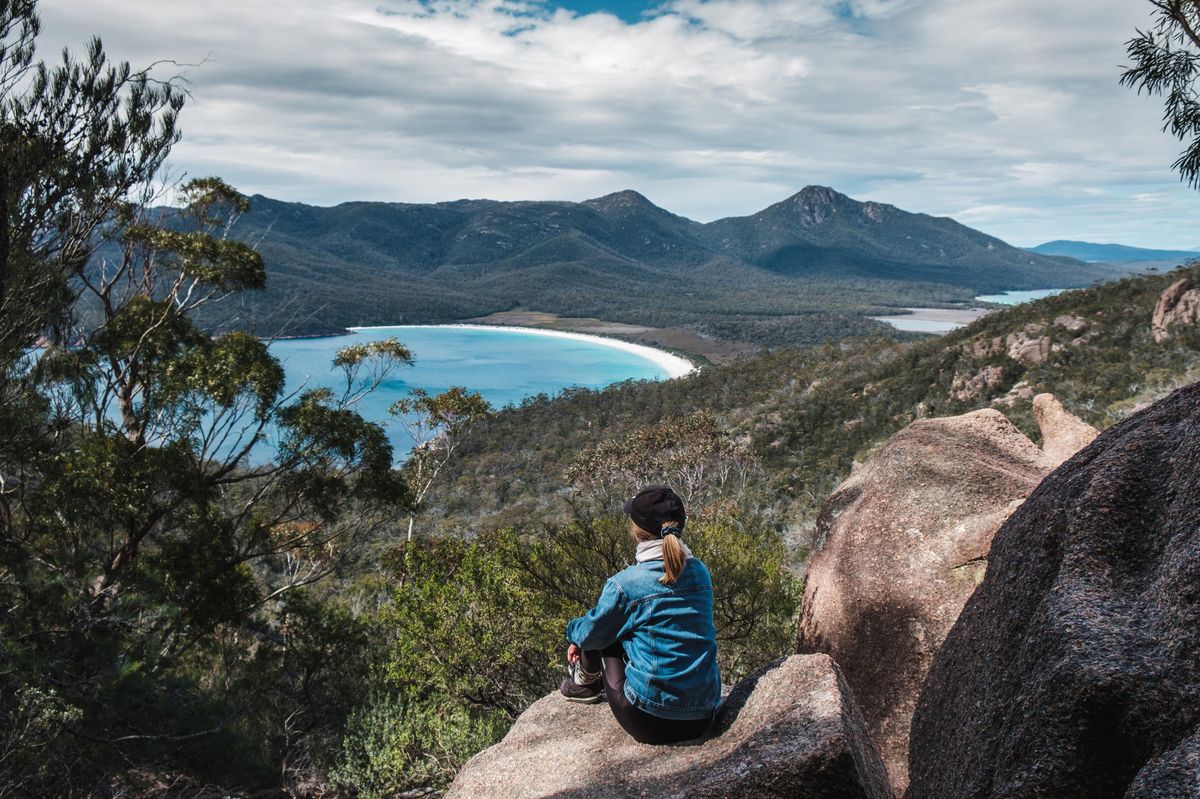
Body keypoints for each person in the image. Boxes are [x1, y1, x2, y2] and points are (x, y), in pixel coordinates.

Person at [560, 484, 721, 745]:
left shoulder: (626, 585)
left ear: (637, 532)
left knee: (605, 630)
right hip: (703, 714)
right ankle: (584, 681)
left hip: (650, 719)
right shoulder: (700, 571)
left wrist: (574, 634)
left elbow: (593, 633)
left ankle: (583, 684)